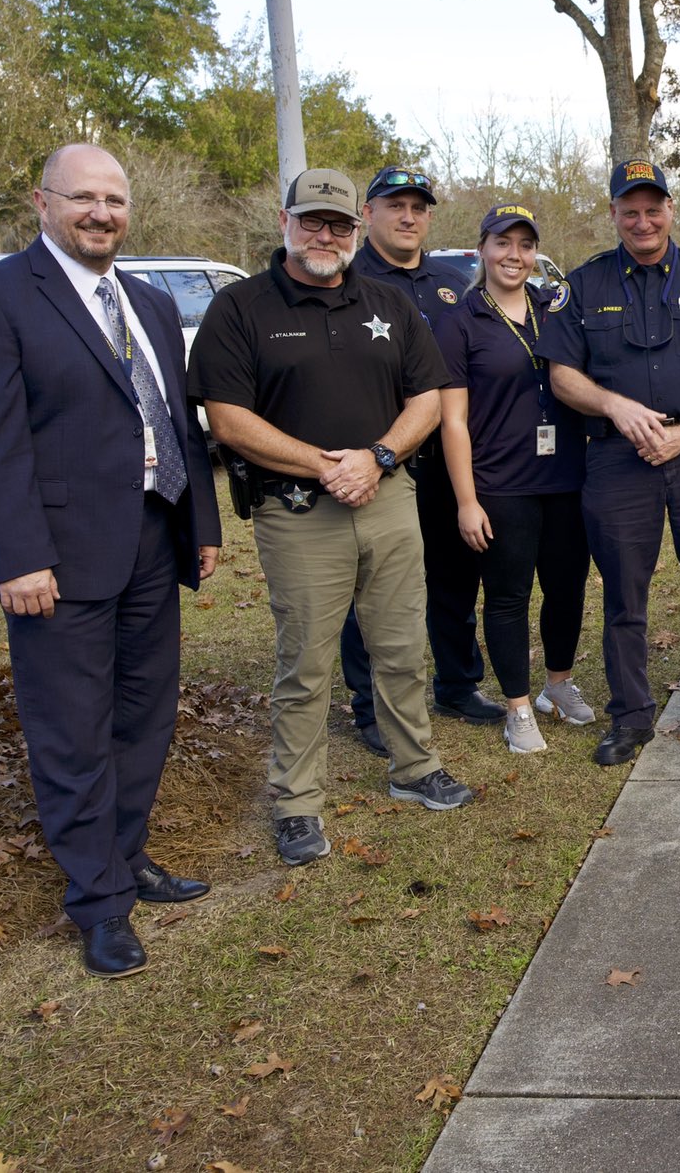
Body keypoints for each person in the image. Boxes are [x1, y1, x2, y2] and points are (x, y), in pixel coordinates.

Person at [0, 143, 222, 978]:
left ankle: (124, 857)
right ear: (42, 201)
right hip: (54, 556)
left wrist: (198, 521)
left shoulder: (150, 302)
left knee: (144, 714)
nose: (102, 213)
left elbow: (174, 422)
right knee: (73, 733)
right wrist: (16, 557)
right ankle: (98, 905)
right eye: (84, 198)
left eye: (115, 200)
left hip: (150, 537)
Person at [188, 168, 474, 868]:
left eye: (338, 225)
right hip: (297, 513)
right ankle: (295, 803)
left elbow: (429, 399)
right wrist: (323, 464)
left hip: (388, 499)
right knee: (307, 663)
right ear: (284, 222)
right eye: (312, 221)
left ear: (356, 229)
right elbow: (226, 417)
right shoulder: (241, 308)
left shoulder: (388, 304)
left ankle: (414, 767)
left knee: (402, 646)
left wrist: (376, 458)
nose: (325, 236)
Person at [537, 158, 680, 766]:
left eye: (653, 208)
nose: (643, 220)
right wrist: (614, 406)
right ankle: (632, 718)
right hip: (618, 458)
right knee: (624, 593)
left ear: (670, 210)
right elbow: (562, 375)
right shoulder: (582, 287)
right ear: (614, 214)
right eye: (630, 210)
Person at [341, 166, 502, 754]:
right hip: (380, 463)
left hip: (445, 460)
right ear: (369, 213)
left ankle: (457, 684)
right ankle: (371, 707)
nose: (408, 216)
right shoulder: (347, 277)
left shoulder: (451, 281)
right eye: (395, 206)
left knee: (456, 578)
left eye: (418, 207)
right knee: (374, 591)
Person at [434, 202, 594, 756]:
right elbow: (452, 420)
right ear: (482, 248)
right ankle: (518, 707)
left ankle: (557, 683)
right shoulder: (461, 321)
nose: (515, 255)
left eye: (525, 246)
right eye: (503, 243)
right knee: (507, 597)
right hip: (501, 483)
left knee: (568, 587)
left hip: (566, 476)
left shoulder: (553, 309)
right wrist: (466, 501)